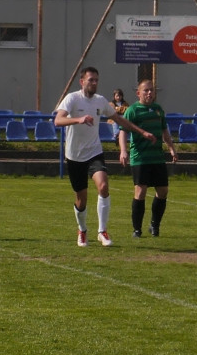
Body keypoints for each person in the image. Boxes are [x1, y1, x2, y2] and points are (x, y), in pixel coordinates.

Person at [55, 66, 157, 247]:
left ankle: (102, 231)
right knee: (81, 199)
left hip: (94, 152)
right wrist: (78, 119)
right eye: (91, 80)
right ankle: (82, 230)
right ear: (82, 82)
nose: (94, 83)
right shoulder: (72, 98)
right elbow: (58, 120)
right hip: (74, 156)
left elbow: (120, 120)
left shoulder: (100, 101)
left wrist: (142, 132)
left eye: (96, 80)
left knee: (103, 186)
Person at [118, 78, 178, 238]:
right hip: (140, 158)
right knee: (140, 191)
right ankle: (137, 229)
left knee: (163, 190)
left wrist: (171, 148)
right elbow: (123, 131)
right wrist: (123, 151)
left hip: (157, 157)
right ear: (138, 93)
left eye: (152, 90)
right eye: (146, 90)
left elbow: (164, 132)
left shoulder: (158, 109)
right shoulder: (132, 110)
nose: (150, 92)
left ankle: (154, 225)